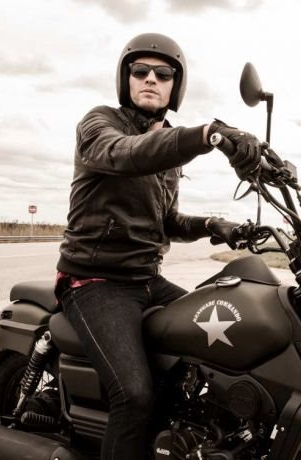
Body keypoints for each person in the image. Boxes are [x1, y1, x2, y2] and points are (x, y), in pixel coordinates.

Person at [55, 33, 262, 460]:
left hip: (147, 280)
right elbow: (126, 153)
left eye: (163, 74)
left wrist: (215, 226)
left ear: (175, 86)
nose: (151, 79)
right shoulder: (100, 124)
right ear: (126, 78)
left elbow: (168, 221)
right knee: (134, 396)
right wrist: (207, 135)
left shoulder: (166, 147)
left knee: (221, 347)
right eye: (140, 71)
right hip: (95, 282)